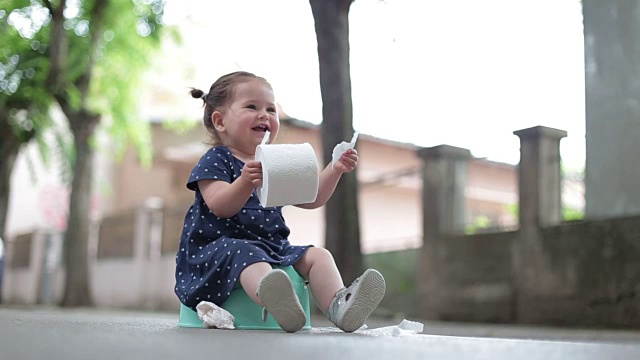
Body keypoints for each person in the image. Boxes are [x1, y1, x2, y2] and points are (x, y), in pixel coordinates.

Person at [174, 71, 386, 333]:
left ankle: (339, 306)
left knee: (318, 255)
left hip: (273, 247)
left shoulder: (276, 161)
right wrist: (244, 182)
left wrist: (335, 168)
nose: (265, 115)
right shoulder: (216, 159)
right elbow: (220, 204)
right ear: (220, 121)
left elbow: (312, 197)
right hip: (218, 249)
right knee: (247, 254)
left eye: (271, 109)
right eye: (252, 106)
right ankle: (276, 301)